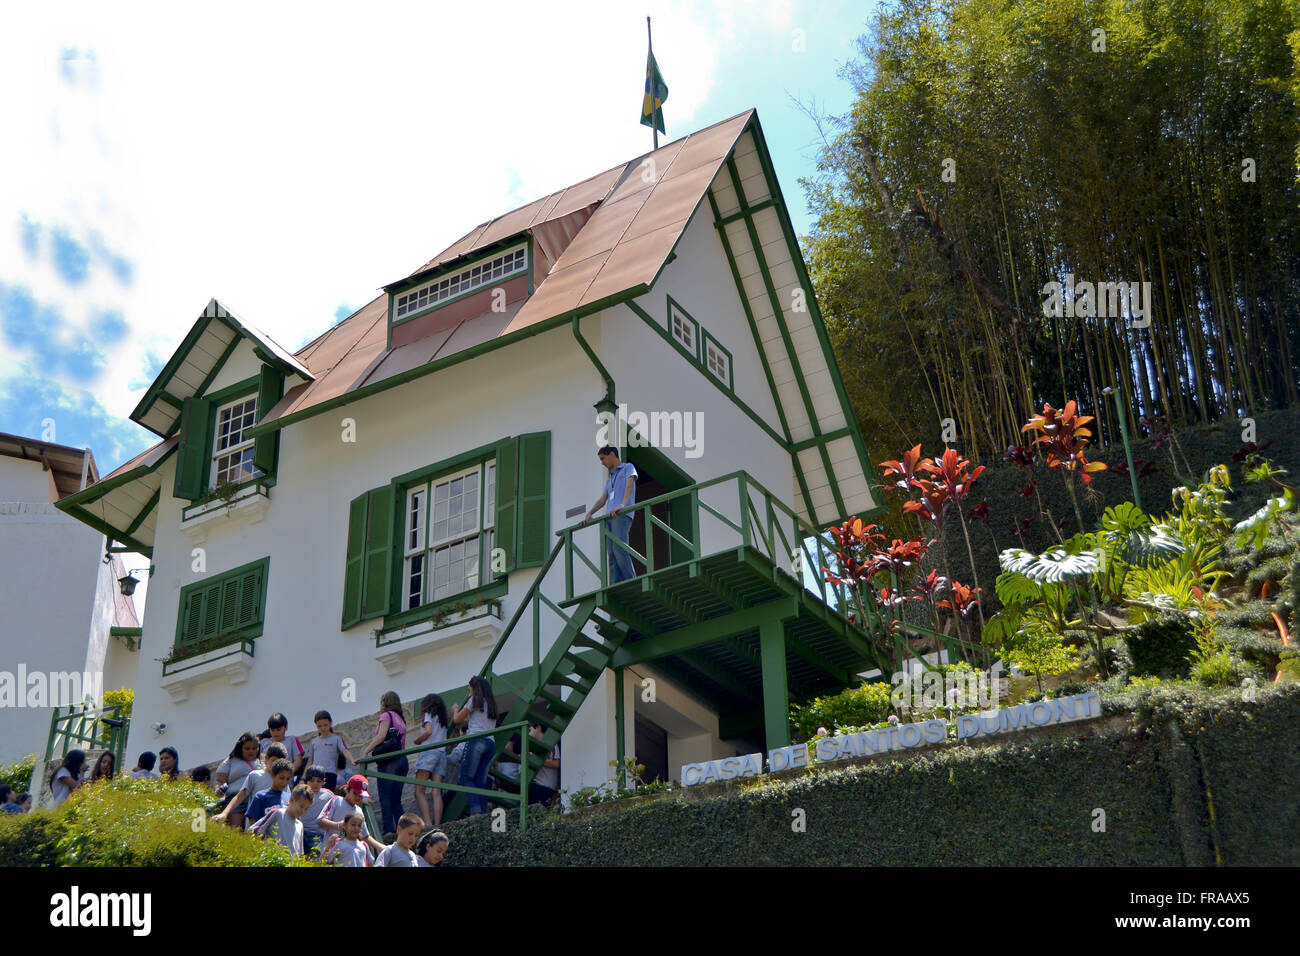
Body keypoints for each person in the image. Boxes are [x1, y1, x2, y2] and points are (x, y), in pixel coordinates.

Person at [584, 445, 638, 584]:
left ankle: (631, 581)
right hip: (609, 517)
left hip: (621, 514)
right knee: (612, 553)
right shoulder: (610, 478)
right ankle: (617, 583)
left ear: (612, 454)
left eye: (603, 458)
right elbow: (603, 499)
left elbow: (629, 486)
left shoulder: (628, 467)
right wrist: (590, 512)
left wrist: (623, 505)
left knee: (620, 548)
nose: (602, 462)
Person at [358, 691, 407, 836]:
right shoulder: (401, 719)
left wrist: (366, 751)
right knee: (396, 800)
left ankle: (389, 831)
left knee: (385, 797)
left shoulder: (386, 716)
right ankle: (404, 830)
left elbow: (381, 735)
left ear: (385, 703)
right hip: (402, 761)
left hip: (389, 761)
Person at [452, 676, 497, 816]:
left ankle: (476, 812)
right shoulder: (490, 703)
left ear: (474, 688)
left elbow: (457, 719)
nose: (469, 691)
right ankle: (482, 813)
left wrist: (455, 709)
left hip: (477, 740)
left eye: (469, 688)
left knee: (466, 778)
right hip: (490, 743)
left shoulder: (474, 700)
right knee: (480, 782)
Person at [214, 743, 286, 827]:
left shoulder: (283, 780)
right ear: (266, 758)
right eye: (274, 761)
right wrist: (224, 813)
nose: (276, 766)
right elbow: (239, 796)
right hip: (255, 827)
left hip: (276, 828)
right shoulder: (255, 776)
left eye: (280, 762)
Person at [316, 774, 387, 856]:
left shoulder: (359, 811)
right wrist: (338, 825)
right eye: (355, 793)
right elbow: (320, 820)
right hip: (330, 852)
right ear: (347, 790)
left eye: (360, 795)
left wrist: (380, 846)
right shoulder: (336, 801)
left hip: (348, 855)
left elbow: (365, 836)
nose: (358, 797)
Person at [412, 694, 449, 827]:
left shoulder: (427, 714)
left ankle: (428, 823)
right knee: (436, 791)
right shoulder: (443, 719)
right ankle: (438, 824)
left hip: (429, 752)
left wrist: (417, 740)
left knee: (419, 791)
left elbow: (428, 731)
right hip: (441, 753)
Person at [248, 783, 312, 856]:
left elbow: (300, 853)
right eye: (301, 806)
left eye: (306, 809)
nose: (303, 811)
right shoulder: (278, 813)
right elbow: (253, 831)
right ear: (291, 800)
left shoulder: (300, 825)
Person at [305, 710, 358, 792]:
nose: (323, 728)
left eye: (325, 725)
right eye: (319, 726)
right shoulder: (314, 742)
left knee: (326, 798)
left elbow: (345, 751)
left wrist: (352, 760)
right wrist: (304, 777)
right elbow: (310, 761)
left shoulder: (336, 739)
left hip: (330, 774)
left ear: (330, 723)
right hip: (314, 775)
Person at [214, 732, 262, 821]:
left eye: (254, 748)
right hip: (235, 800)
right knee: (236, 830)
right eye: (247, 748)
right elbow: (220, 781)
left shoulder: (262, 761)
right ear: (241, 748)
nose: (251, 751)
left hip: (255, 799)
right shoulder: (230, 761)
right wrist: (219, 789)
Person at [242, 758, 294, 828]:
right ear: (273, 775)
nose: (284, 782)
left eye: (287, 779)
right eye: (281, 778)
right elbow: (252, 825)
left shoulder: (289, 798)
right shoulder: (261, 797)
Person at [298, 765, 334, 857]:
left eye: (318, 781)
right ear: (307, 780)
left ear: (324, 782)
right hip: (300, 832)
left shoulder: (328, 795)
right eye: (312, 780)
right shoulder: (300, 793)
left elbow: (338, 804)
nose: (315, 783)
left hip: (317, 834)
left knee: (315, 858)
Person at [261, 713, 306, 778]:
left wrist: (287, 774)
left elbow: (298, 760)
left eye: (279, 730)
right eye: (273, 730)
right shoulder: (264, 742)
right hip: (266, 778)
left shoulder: (292, 740)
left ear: (286, 727)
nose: (276, 733)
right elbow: (260, 761)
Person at [527, 724, 560, 807]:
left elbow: (556, 763)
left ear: (538, 728)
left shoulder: (551, 744)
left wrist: (536, 760)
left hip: (545, 787)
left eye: (530, 730)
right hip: (534, 786)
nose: (528, 733)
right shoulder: (530, 746)